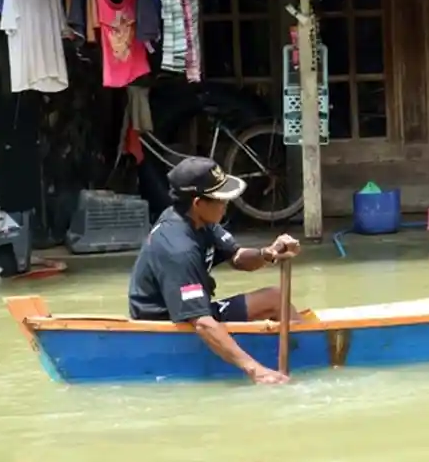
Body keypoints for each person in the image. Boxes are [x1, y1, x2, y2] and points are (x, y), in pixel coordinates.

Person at [127, 156, 302, 385]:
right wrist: (256, 371)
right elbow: (201, 322)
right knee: (269, 301)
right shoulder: (179, 248)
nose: (226, 205)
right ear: (198, 203)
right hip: (170, 318)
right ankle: (303, 357)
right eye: (221, 200)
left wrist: (269, 253)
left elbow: (237, 257)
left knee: (276, 297)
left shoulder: (201, 221)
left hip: (195, 310)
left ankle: (301, 350)